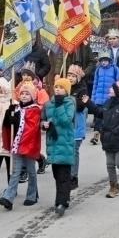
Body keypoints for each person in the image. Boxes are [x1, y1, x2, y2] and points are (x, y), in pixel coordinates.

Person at [83, 79, 119, 199]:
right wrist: (89, 103)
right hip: (107, 139)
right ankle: (113, 186)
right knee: (110, 164)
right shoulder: (108, 102)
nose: (110, 89)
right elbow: (100, 112)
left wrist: (116, 130)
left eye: (113, 88)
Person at [0, 83, 41, 211]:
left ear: (32, 96)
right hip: (17, 145)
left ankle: (32, 195)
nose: (24, 96)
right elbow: (8, 126)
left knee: (31, 171)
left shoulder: (35, 110)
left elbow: (31, 128)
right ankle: (9, 197)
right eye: (22, 93)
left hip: (29, 146)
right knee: (15, 172)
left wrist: (17, 120)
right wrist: (9, 115)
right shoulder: (16, 108)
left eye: (27, 94)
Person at [41, 77, 75, 217]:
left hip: (65, 143)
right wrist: (44, 124)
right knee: (57, 174)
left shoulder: (69, 103)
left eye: (61, 88)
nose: (58, 90)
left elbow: (66, 121)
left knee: (63, 175)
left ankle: (61, 202)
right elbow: (43, 119)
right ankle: (62, 198)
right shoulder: (48, 104)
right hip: (53, 143)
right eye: (56, 87)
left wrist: (60, 105)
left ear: (66, 90)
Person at [90, 50, 119, 145]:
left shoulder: (115, 69)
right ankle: (96, 135)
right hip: (99, 99)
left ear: (109, 60)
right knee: (98, 118)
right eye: (102, 60)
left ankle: (107, 135)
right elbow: (95, 85)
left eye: (105, 60)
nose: (103, 62)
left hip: (109, 99)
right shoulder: (98, 70)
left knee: (108, 119)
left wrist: (117, 97)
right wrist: (93, 98)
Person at [67, 64, 88, 190]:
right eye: (69, 75)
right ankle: (67, 174)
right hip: (66, 125)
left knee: (74, 151)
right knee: (67, 151)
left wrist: (69, 99)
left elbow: (81, 106)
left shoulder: (82, 90)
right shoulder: (65, 87)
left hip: (77, 125)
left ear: (78, 77)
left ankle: (73, 177)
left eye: (73, 76)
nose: (70, 78)